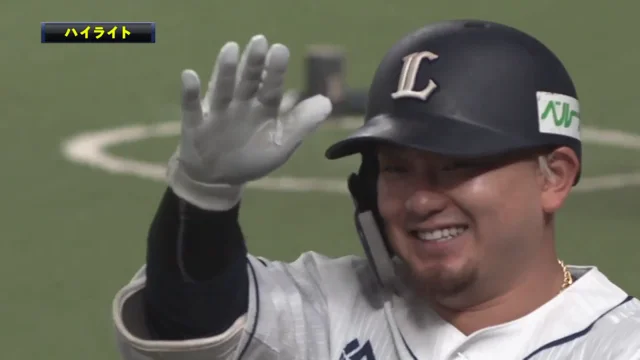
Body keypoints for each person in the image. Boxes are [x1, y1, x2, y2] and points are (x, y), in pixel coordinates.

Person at [112, 19, 640, 360]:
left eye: (455, 166)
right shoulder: (326, 307)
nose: (421, 199)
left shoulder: (619, 344)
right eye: (396, 168)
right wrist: (202, 196)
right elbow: (184, 323)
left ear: (555, 176)